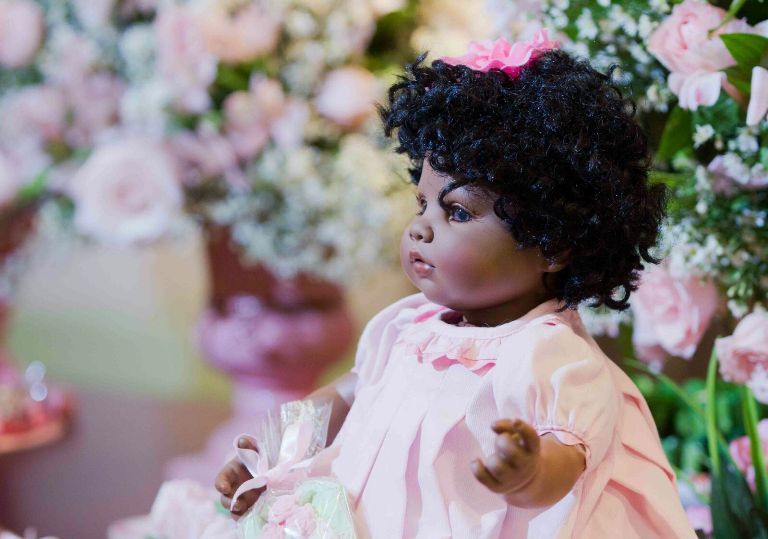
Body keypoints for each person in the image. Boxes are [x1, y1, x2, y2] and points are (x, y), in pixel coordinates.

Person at [216, 30, 696, 538]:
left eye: (458, 212)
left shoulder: (551, 356)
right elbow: (345, 396)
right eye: (422, 204)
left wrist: (528, 471)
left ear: (551, 243)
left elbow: (567, 460)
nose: (421, 228)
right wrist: (273, 453)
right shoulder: (405, 325)